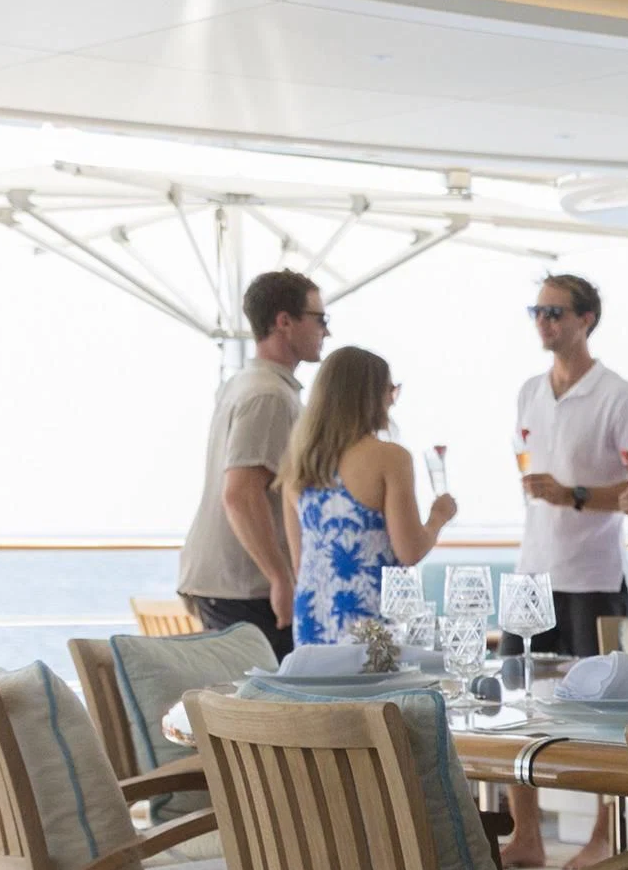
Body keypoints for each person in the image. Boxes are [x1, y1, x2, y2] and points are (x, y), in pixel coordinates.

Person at [506, 272, 628, 867]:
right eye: (537, 311)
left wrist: (572, 494)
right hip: (530, 570)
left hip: (593, 573)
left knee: (600, 712)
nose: (546, 322)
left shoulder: (620, 396)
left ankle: (602, 837)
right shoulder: (528, 393)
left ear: (587, 319)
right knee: (517, 701)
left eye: (557, 312)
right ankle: (527, 834)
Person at [176, 270, 324, 649]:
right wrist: (280, 577)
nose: (326, 331)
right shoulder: (269, 396)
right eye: (319, 319)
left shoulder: (244, 384)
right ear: (284, 322)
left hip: (224, 579)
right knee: (278, 705)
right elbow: (240, 493)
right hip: (245, 585)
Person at [279, 345, 454, 646]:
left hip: (312, 624)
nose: (392, 401)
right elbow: (409, 551)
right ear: (370, 396)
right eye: (390, 390)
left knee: (321, 694)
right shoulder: (390, 458)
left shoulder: (296, 466)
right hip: (369, 625)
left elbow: (301, 565)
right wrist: (439, 517)